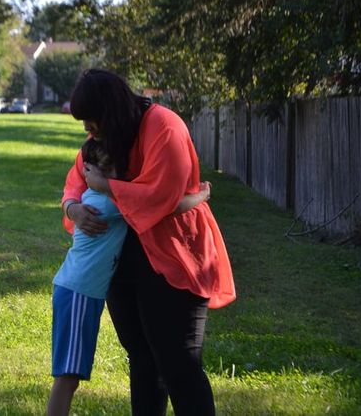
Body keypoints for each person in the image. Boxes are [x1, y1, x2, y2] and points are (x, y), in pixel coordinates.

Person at [61, 69, 236, 415]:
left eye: (91, 121)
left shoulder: (163, 126)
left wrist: (107, 187)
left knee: (178, 362)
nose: (87, 130)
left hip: (174, 256)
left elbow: (162, 196)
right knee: (141, 358)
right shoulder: (104, 139)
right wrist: (73, 208)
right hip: (121, 257)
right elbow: (75, 182)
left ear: (110, 112)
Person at [48, 138, 212, 416]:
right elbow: (162, 206)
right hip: (78, 295)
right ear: (91, 172)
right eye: (110, 169)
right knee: (67, 377)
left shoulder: (103, 199)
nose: (119, 175)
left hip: (79, 292)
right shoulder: (104, 203)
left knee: (71, 375)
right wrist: (200, 196)